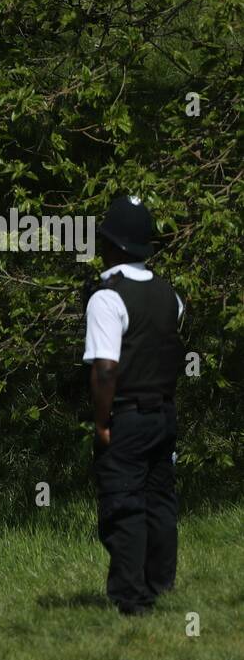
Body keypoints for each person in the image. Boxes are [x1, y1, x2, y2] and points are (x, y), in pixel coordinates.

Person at [82, 194, 185, 616]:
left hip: (126, 416)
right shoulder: (170, 296)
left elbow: (106, 370)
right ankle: (159, 585)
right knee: (159, 501)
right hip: (164, 414)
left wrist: (101, 422)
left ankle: (131, 599)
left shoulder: (106, 298)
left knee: (124, 503)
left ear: (115, 244)